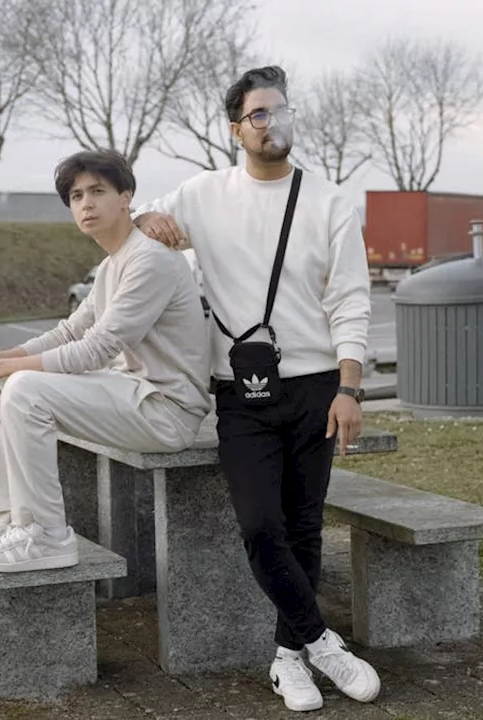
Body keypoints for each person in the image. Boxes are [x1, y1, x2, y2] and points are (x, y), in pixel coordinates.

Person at [131, 65, 379, 712]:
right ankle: (324, 641)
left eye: (282, 110)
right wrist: (145, 219)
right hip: (241, 393)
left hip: (319, 388)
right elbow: (139, 216)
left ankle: (286, 659)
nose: (274, 123)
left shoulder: (330, 203)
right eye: (260, 114)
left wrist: (350, 390)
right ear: (236, 128)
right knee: (260, 524)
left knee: (303, 528)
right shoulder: (202, 193)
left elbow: (351, 301)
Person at [0, 149, 211, 574]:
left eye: (97, 191)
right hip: (133, 395)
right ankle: (14, 520)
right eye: (77, 196)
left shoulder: (150, 259)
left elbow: (96, 349)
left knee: (24, 388)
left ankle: (49, 535)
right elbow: (68, 332)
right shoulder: (110, 267)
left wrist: (4, 368)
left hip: (166, 410)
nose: (86, 203)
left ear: (127, 197)